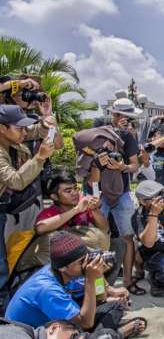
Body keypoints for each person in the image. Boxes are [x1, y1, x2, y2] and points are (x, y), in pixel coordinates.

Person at [5, 231, 145, 338]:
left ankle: (104, 333)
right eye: (80, 262)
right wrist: (91, 278)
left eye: (86, 258)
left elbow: (100, 298)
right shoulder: (47, 288)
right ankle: (115, 334)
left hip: (59, 321)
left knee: (115, 305)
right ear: (63, 268)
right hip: (38, 334)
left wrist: (109, 289)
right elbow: (85, 323)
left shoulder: (67, 271)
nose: (86, 265)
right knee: (91, 329)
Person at [87, 99, 141, 296]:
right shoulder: (97, 131)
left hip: (122, 192)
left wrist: (123, 167)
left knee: (127, 237)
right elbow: (86, 165)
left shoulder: (128, 136)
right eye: (125, 116)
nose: (126, 121)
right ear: (115, 114)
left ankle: (127, 281)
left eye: (130, 118)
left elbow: (135, 165)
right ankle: (98, 288)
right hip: (96, 192)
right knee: (96, 238)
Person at [0, 105, 56, 291]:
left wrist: (47, 118)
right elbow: (15, 181)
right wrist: (39, 158)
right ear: (2, 128)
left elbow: (36, 130)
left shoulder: (10, 138)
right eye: (19, 128)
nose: (24, 132)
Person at [15, 173, 110, 272]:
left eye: (75, 188)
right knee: (52, 237)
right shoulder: (50, 212)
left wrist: (94, 210)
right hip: (52, 266)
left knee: (116, 244)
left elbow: (104, 228)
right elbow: (40, 228)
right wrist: (76, 210)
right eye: (68, 191)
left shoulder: (84, 207)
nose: (74, 193)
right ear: (54, 197)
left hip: (77, 259)